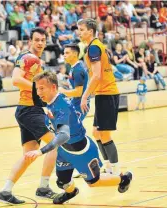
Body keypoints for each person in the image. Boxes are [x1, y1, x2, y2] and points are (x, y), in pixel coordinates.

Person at [25, 71, 133, 204]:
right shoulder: (51, 100)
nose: (38, 92)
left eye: (41, 88)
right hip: (65, 151)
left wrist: (40, 151)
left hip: (81, 151)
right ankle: (72, 192)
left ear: (53, 87)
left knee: (93, 182)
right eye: (37, 89)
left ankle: (123, 179)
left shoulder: (62, 106)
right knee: (62, 182)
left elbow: (64, 135)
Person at [0, 28, 57, 205]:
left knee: (29, 155)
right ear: (30, 41)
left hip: (27, 110)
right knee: (55, 145)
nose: (40, 43)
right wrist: (38, 90)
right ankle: (44, 188)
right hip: (30, 111)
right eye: (36, 40)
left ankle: (6, 190)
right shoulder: (30, 58)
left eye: (43, 40)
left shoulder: (30, 58)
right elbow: (16, 80)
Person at [77, 18, 120, 175]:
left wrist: (84, 96)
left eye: (82, 29)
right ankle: (108, 167)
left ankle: (116, 171)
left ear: (90, 31)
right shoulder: (97, 46)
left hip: (107, 93)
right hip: (104, 94)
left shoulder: (94, 48)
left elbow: (96, 76)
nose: (79, 32)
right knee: (96, 132)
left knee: (104, 134)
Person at [59, 43, 89, 121]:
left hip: (81, 105)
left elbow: (78, 92)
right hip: (76, 102)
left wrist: (63, 91)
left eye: (67, 53)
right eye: (64, 53)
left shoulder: (78, 70)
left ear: (75, 54)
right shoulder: (73, 68)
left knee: (72, 129)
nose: (64, 55)